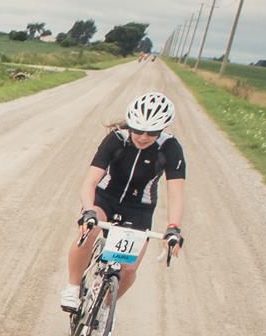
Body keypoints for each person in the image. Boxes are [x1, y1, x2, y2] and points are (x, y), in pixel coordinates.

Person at [61, 92, 187, 312]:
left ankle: (103, 309)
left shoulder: (170, 148)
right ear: (130, 124)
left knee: (128, 270)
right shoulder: (116, 139)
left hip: (139, 209)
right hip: (105, 198)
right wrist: (88, 211)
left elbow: (176, 192)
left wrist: (173, 228)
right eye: (137, 129)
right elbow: (90, 181)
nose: (143, 136)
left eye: (152, 132)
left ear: (162, 129)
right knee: (87, 232)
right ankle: (72, 288)